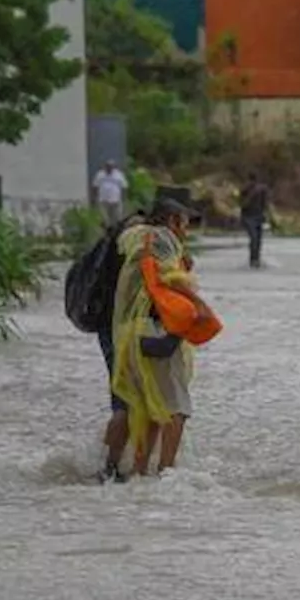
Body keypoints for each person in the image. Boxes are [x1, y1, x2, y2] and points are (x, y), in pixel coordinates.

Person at [110, 198, 209, 476]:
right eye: (184, 224)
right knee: (177, 407)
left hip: (129, 333)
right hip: (157, 328)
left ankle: (139, 476)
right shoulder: (163, 239)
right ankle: (167, 473)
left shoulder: (132, 237)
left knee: (147, 406)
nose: (185, 231)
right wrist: (198, 304)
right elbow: (167, 278)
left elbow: (149, 272)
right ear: (172, 221)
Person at [96, 211, 147, 484]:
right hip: (119, 331)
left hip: (110, 329)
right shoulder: (133, 248)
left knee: (123, 400)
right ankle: (111, 467)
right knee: (125, 403)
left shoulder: (111, 244)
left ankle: (110, 465)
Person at [239, 172, 272, 269]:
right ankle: (254, 260)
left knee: (257, 239)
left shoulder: (261, 189)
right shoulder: (246, 189)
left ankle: (255, 259)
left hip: (255, 217)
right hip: (251, 217)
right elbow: (266, 204)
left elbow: (265, 203)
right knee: (255, 239)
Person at [92, 160, 128, 228]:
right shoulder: (100, 174)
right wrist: (94, 197)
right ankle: (106, 228)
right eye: (108, 166)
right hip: (103, 200)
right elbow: (95, 186)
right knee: (104, 218)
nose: (109, 168)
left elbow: (124, 187)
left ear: (113, 167)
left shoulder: (119, 175)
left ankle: (116, 228)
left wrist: (124, 198)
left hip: (115, 200)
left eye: (111, 167)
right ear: (105, 167)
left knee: (117, 217)